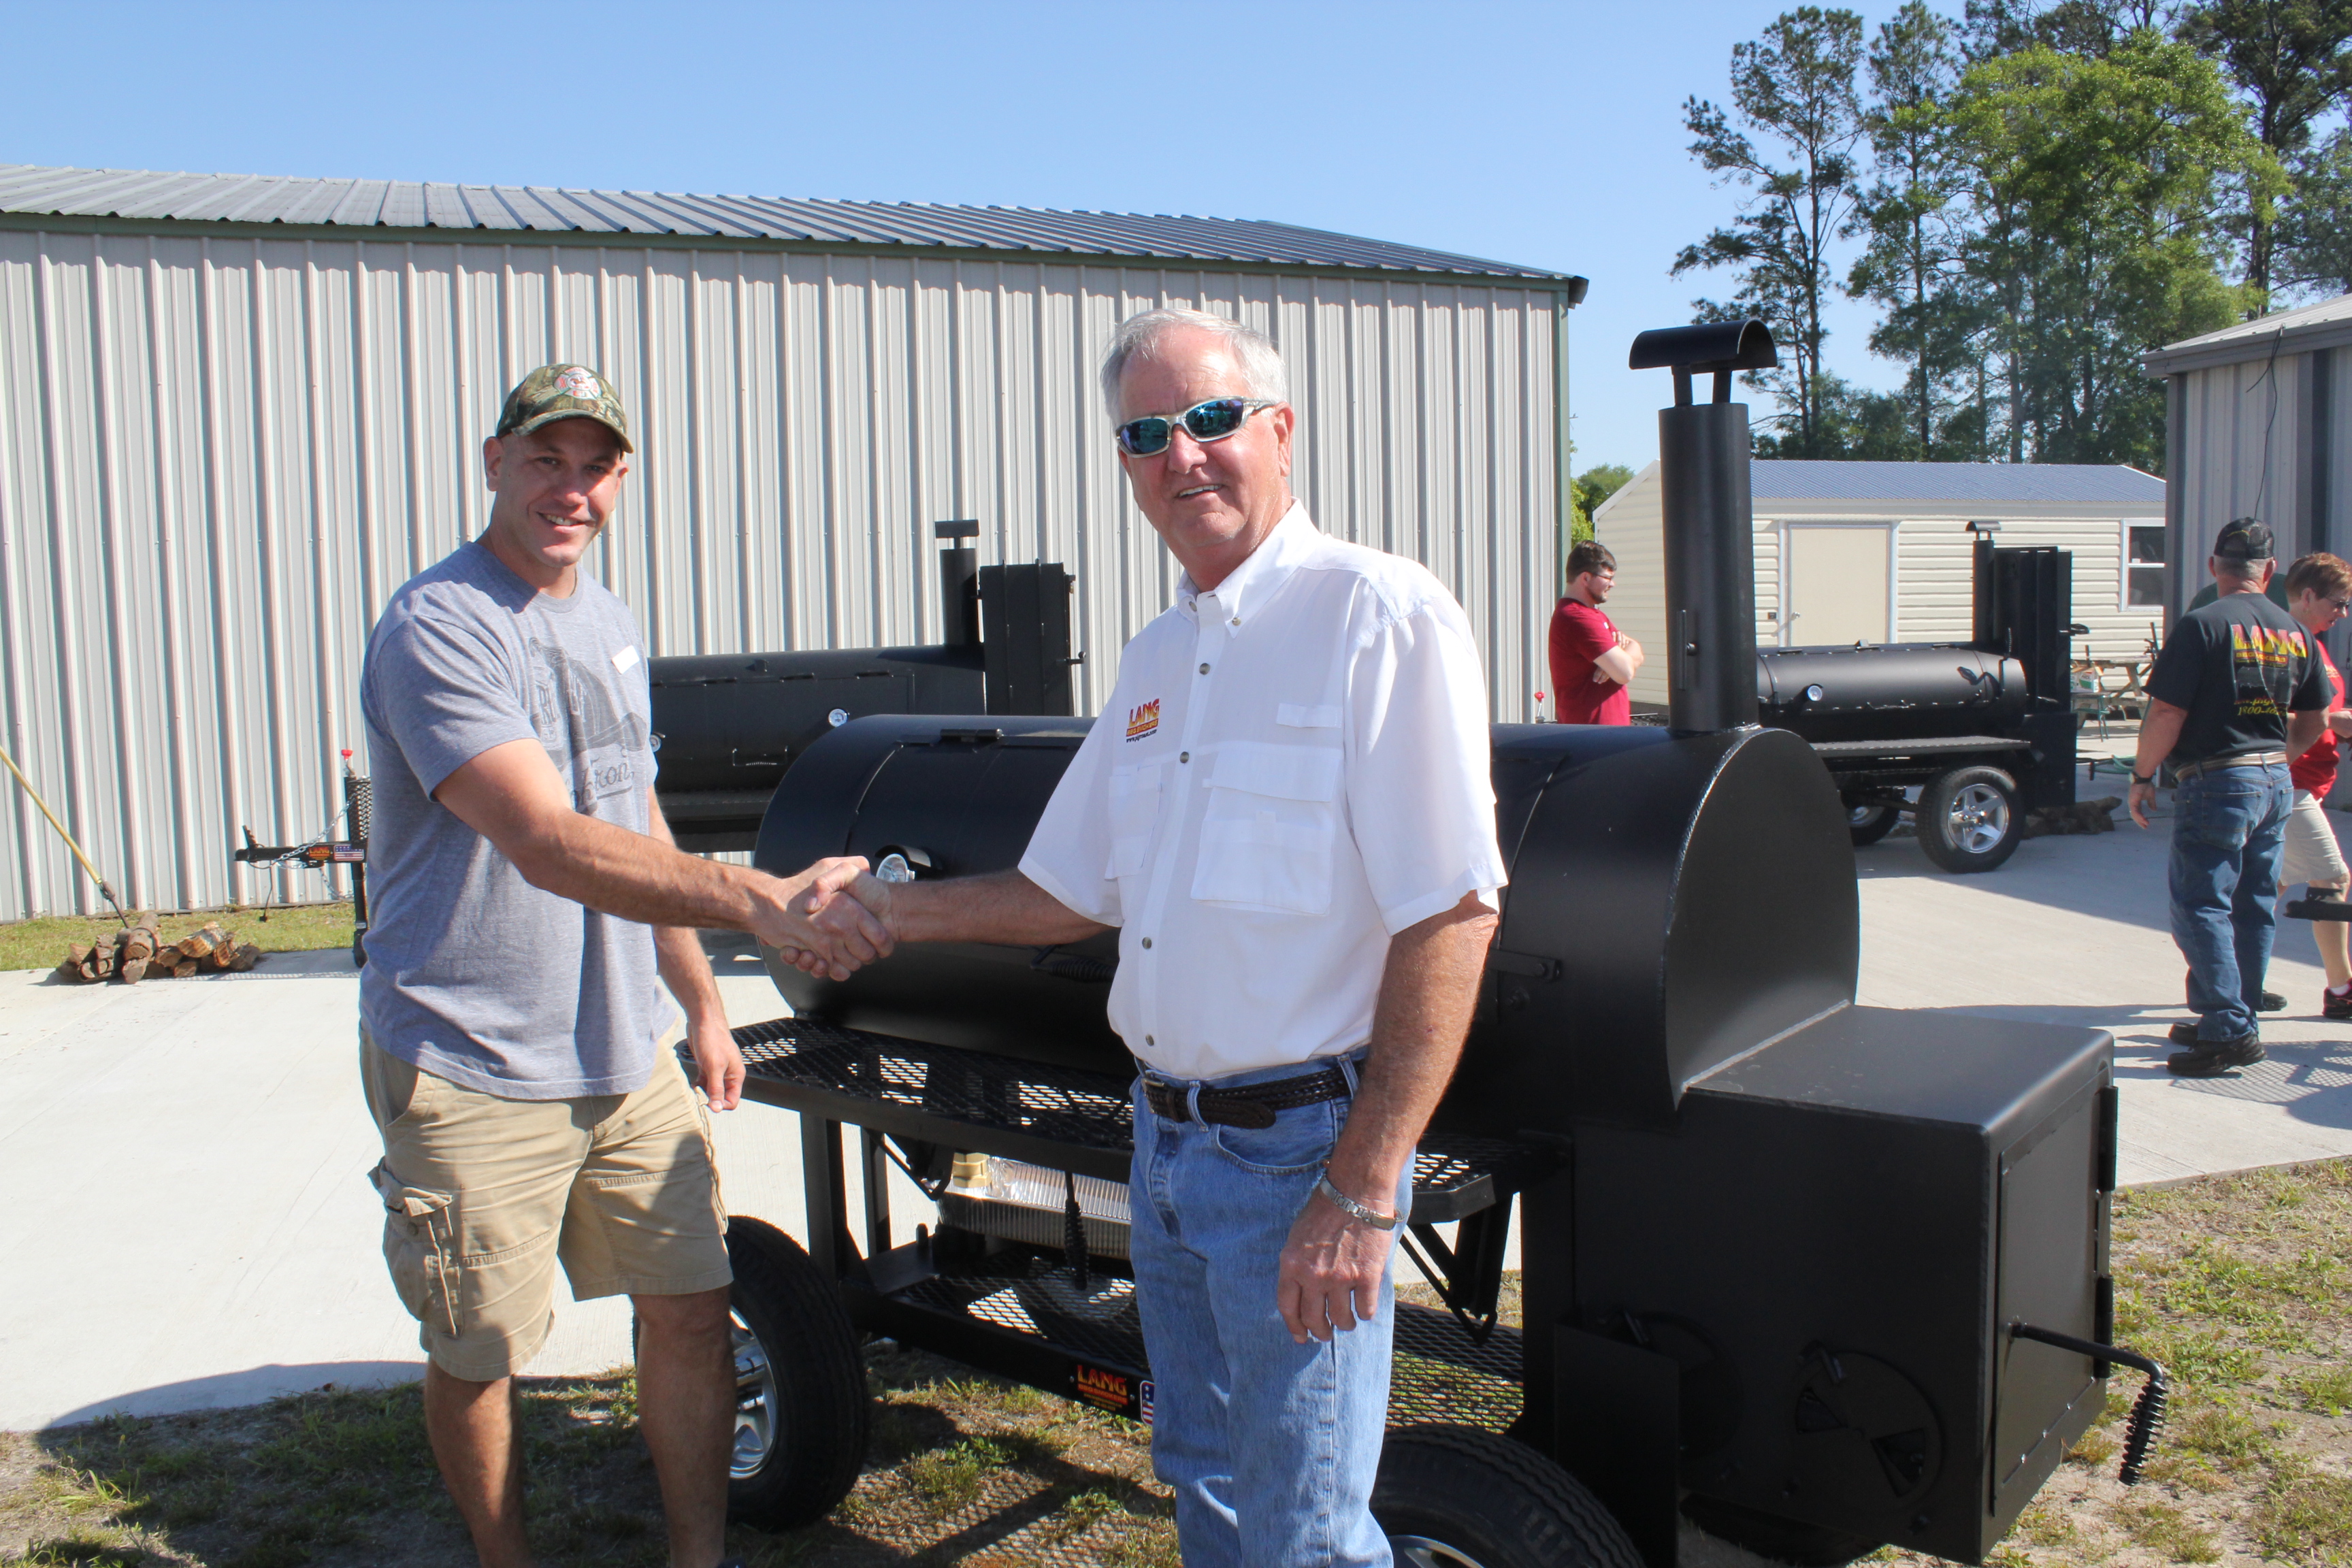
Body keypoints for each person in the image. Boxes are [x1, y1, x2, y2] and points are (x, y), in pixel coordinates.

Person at [792, 308, 1505, 1566]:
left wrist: (1361, 1185)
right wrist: (886, 909)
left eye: (1212, 418)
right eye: (1146, 433)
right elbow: (1070, 889)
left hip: (1300, 1159)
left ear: (1280, 431)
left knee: (1305, 1529)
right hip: (1165, 1148)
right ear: (1125, 464)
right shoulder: (1160, 658)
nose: (1183, 454)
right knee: (1207, 1480)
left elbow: (1452, 909)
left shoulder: (1378, 616)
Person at [357, 363, 888, 1568]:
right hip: (472, 1055)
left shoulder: (606, 620)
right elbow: (547, 839)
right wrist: (761, 899)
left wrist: (699, 997)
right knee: (483, 1348)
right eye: (546, 460)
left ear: (622, 480)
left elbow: (629, 806)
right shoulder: (440, 624)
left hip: (621, 1047)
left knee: (693, 1307)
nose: (572, 489)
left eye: (596, 467)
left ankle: (698, 1556)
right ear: (493, 463)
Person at [2127, 519, 2328, 1077]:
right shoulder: (2296, 631)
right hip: (2273, 781)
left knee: (2200, 905)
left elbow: (2167, 712)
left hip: (2217, 780)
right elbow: (2315, 720)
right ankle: (2237, 1016)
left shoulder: (2202, 625)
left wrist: (2142, 776)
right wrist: (2274, 762)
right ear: (2269, 571)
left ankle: (2229, 1029)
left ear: (2214, 566)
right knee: (2252, 905)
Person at [2277, 552, 2352, 1017]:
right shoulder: (2283, 646)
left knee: (2268, 884)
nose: (2342, 613)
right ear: (2307, 596)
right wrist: (2334, 721)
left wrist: (2336, 722)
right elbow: (2261, 719)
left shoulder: (2315, 646)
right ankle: (2342, 992)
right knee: (2332, 877)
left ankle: (2227, 981)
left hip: (2310, 785)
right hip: (2289, 785)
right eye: (2337, 603)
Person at [1548, 539, 1642, 723]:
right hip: (1592, 735)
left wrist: (1615, 660)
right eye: (1608, 578)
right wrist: (1616, 662)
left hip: (1607, 734)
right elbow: (1625, 673)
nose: (1612, 584)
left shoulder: (1594, 615)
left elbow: (1636, 648)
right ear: (1586, 578)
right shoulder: (1577, 617)